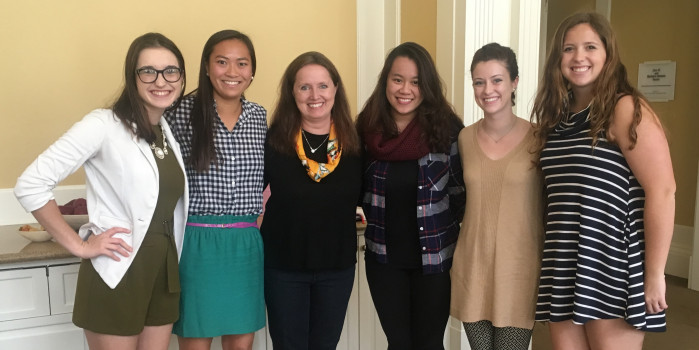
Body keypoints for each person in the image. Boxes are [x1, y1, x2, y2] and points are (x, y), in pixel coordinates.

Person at [14, 32, 188, 350]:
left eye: (171, 71)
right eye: (148, 71)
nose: (161, 80)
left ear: (181, 77)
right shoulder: (103, 125)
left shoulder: (165, 131)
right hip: (118, 270)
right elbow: (31, 183)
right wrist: (78, 246)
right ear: (132, 77)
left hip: (164, 271)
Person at [532, 12, 676, 350]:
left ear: (607, 55)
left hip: (611, 263)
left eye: (590, 47)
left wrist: (655, 275)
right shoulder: (557, 117)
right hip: (564, 259)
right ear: (558, 59)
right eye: (569, 48)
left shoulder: (623, 108)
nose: (579, 57)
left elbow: (663, 190)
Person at [356, 42, 466, 350]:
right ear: (385, 82)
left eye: (416, 82)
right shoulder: (366, 128)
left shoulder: (448, 130)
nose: (406, 89)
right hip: (384, 261)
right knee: (398, 344)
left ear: (427, 86)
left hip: (435, 262)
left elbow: (460, 195)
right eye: (398, 79)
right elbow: (353, 189)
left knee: (430, 344)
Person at [166, 30, 266, 350]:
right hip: (196, 242)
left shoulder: (260, 117)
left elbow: (268, 181)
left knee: (242, 343)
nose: (232, 72)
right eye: (222, 62)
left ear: (252, 71)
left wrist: (257, 218)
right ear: (207, 67)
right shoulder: (179, 112)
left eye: (242, 63)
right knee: (196, 341)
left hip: (246, 244)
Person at [261, 51, 361, 350]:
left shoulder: (355, 144)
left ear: (335, 89)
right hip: (283, 269)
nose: (314, 95)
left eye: (323, 85)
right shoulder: (273, 142)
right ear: (292, 93)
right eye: (304, 87)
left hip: (337, 269)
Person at [449, 43, 543, 350]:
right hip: (472, 269)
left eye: (497, 79)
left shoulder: (540, 139)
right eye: (479, 81)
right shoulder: (464, 138)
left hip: (519, 273)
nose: (487, 89)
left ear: (514, 82)